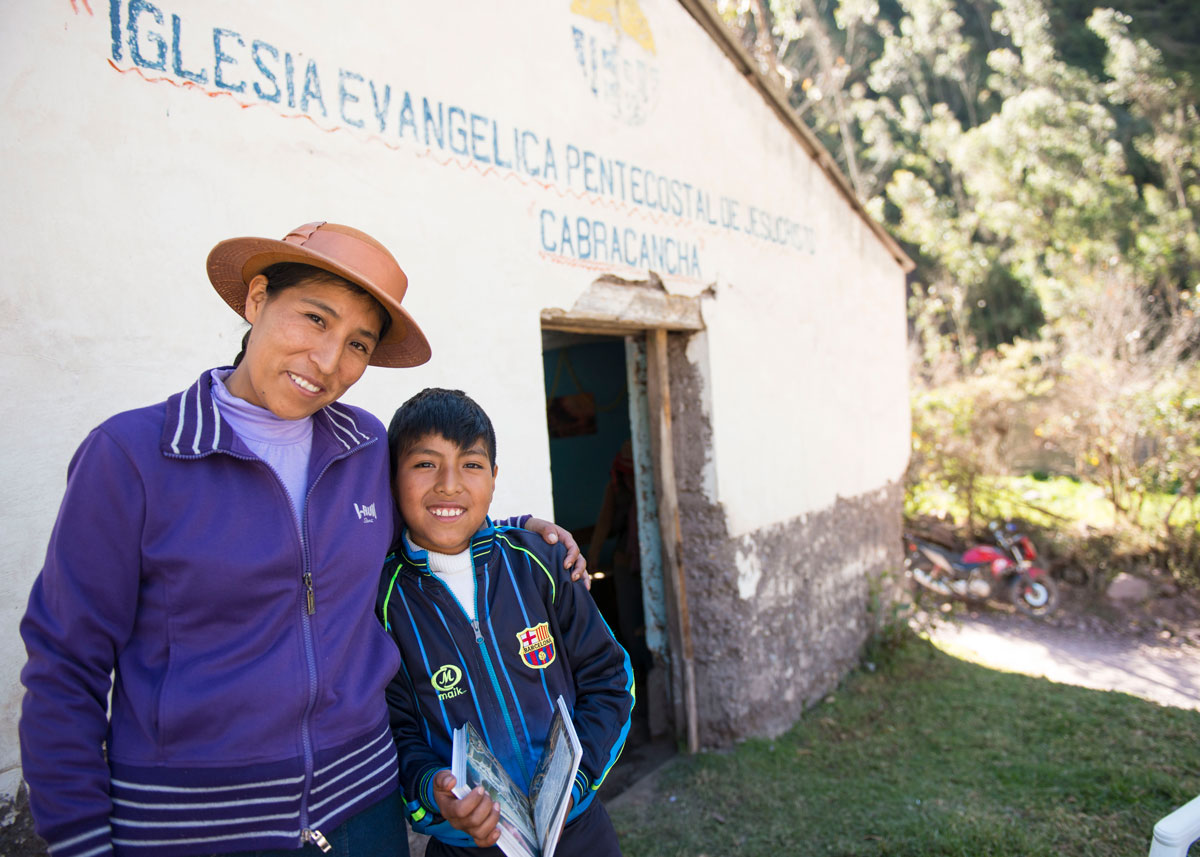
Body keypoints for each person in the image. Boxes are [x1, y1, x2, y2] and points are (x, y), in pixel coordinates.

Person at [18, 222, 586, 857]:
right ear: (257, 299)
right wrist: (80, 842)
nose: (328, 362)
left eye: (357, 345)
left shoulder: (366, 446)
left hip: (366, 812)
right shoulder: (132, 457)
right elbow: (65, 667)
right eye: (315, 319)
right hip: (192, 828)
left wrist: (522, 528)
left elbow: (429, 521)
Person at [378, 388, 634, 857]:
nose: (450, 484)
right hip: (466, 847)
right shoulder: (384, 602)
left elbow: (609, 680)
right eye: (424, 464)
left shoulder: (540, 563)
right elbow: (395, 733)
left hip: (580, 834)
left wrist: (575, 785)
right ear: (392, 478)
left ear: (494, 478)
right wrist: (433, 788)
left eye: (472, 465)